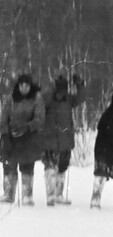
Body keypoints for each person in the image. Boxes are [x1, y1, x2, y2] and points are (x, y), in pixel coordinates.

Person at [1, 73, 46, 205]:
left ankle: (27, 194)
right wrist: (4, 135)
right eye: (21, 85)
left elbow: (40, 119)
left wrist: (28, 127)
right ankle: (9, 193)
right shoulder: (10, 98)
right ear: (18, 85)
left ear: (30, 86)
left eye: (26, 85)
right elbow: (3, 119)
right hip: (11, 138)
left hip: (29, 137)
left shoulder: (37, 98)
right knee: (9, 166)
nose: (24, 88)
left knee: (27, 166)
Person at [41, 72, 84, 206]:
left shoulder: (68, 99)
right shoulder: (48, 99)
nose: (61, 92)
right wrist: (52, 89)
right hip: (50, 139)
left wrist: (80, 85)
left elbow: (81, 98)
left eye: (63, 89)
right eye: (59, 89)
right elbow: (41, 99)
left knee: (62, 168)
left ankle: (59, 194)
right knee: (50, 167)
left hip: (65, 139)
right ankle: (50, 195)